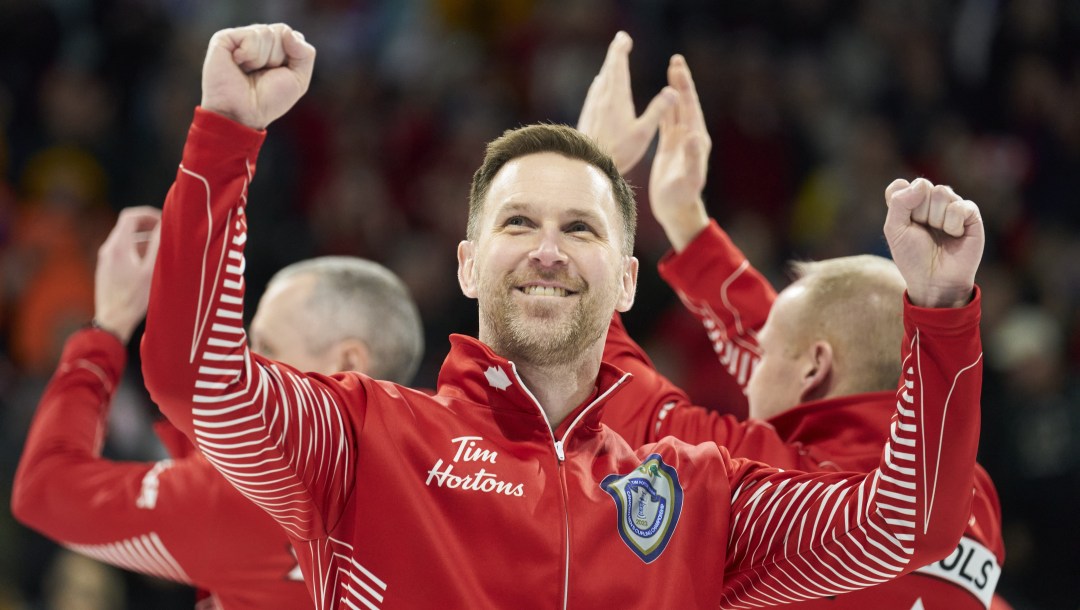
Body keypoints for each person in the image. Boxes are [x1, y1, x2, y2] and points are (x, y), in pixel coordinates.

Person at [142, 23, 985, 608]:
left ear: (623, 283)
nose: (547, 250)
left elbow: (900, 525)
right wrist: (226, 138)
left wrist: (940, 312)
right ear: (469, 265)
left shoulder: (696, 485)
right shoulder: (365, 437)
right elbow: (199, 382)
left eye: (578, 228)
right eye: (517, 224)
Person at [581, 33, 1007, 609]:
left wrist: (586, 178)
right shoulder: (974, 496)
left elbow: (598, 377)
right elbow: (802, 350)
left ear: (814, 369)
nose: (748, 374)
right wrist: (686, 218)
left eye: (761, 362)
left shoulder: (773, 475)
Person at [11, 207, 424, 610]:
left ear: (348, 364)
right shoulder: (454, 490)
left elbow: (45, 489)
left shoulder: (254, 494)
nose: (246, 368)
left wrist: (108, 327)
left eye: (266, 349)